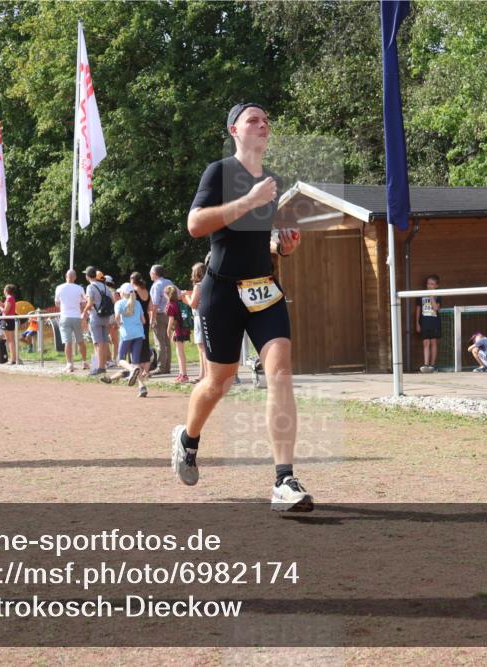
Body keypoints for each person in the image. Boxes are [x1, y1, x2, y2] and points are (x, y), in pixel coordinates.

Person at [175, 101, 310, 512]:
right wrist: (248, 201)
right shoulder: (220, 172)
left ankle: (283, 480)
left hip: (264, 291)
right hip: (221, 293)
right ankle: (187, 438)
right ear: (235, 129)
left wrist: (279, 245)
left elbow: (260, 239)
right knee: (218, 383)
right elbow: (196, 225)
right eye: (254, 119)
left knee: (280, 373)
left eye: (267, 120)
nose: (262, 125)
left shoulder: (272, 180)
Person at [101, 281, 150, 397]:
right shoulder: (137, 303)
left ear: (122, 293)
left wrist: (119, 323)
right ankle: (142, 387)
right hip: (139, 334)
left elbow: (117, 317)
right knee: (136, 362)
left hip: (127, 334)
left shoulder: (119, 304)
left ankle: (131, 370)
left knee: (120, 359)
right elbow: (144, 321)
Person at [55, 269, 88, 373]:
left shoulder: (59, 287)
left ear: (66, 276)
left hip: (65, 316)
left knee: (67, 342)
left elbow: (57, 303)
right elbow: (83, 303)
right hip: (77, 316)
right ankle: (84, 362)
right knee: (80, 341)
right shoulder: (80, 288)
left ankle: (69, 364)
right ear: (75, 277)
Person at [82, 266, 113, 375]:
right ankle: (103, 365)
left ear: (87, 276)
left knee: (98, 343)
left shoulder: (90, 287)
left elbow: (90, 303)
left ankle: (100, 367)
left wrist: (84, 312)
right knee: (104, 342)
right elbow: (112, 300)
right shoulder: (105, 287)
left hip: (96, 316)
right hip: (106, 316)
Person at [149, 265, 175, 375]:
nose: (150, 274)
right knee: (167, 342)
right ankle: (167, 366)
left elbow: (154, 304)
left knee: (159, 342)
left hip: (159, 314)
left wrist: (152, 318)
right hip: (169, 314)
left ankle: (161, 367)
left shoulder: (156, 285)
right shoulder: (169, 282)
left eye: (151, 272)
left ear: (154, 273)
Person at [164, 285, 190, 382]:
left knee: (180, 352)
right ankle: (181, 373)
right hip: (183, 329)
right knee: (180, 352)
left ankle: (184, 374)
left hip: (178, 330)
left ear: (167, 294)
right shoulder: (178, 303)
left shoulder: (170, 304)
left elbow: (171, 319)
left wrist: (168, 330)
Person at [416, 274, 442, 373]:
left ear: (436, 286)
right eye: (428, 283)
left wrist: (431, 296)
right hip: (424, 322)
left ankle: (432, 365)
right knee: (426, 342)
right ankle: (426, 364)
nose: (429, 285)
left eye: (432, 284)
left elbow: (436, 308)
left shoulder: (438, 295)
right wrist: (417, 323)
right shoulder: (421, 294)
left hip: (434, 322)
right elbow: (418, 309)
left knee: (433, 342)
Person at [188, 262, 208, 382]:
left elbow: (193, 304)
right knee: (202, 347)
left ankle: (206, 376)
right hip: (206, 316)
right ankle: (202, 374)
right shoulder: (208, 284)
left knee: (202, 348)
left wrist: (185, 297)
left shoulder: (198, 286)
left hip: (199, 317)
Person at [0, 284, 19, 364]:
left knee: (10, 340)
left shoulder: (9, 298)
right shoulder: (10, 298)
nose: (3, 290)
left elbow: (5, 311)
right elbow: (6, 307)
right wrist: (0, 303)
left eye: (4, 289)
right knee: (10, 340)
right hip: (8, 320)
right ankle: (14, 358)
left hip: (7, 320)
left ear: (6, 290)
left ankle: (13, 359)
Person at [104, 275, 120, 367]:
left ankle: (110, 359)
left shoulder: (105, 291)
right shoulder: (113, 292)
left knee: (108, 339)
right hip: (112, 317)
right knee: (114, 339)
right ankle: (113, 358)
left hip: (107, 317)